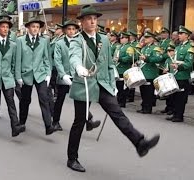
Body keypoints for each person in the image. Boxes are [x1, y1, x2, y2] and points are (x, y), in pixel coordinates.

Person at [67, 5, 160, 172]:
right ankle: (72, 158)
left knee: (118, 114)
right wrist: (78, 67)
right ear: (81, 22)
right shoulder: (77, 39)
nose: (93, 21)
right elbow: (73, 56)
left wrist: (113, 82)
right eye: (89, 18)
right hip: (85, 85)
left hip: (103, 83)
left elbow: (109, 64)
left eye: (95, 18)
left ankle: (139, 143)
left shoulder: (103, 39)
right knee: (79, 122)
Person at [53, 19, 100, 131]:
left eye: (73, 29)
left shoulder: (82, 41)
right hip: (65, 76)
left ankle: (88, 121)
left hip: (78, 76)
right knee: (60, 100)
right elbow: (57, 60)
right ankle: (55, 121)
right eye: (69, 29)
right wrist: (63, 75)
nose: (71, 31)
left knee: (82, 100)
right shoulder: (59, 43)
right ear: (64, 30)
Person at [15, 17, 56, 135]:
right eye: (33, 26)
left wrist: (48, 74)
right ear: (28, 28)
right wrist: (18, 76)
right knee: (25, 100)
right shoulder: (20, 40)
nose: (35, 29)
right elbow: (18, 59)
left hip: (40, 74)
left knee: (44, 98)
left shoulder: (44, 41)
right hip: (26, 74)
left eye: (37, 27)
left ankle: (48, 125)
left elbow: (47, 58)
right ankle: (22, 122)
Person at [165, 26, 194, 122]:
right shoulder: (177, 47)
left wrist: (179, 66)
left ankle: (179, 116)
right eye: (179, 34)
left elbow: (189, 63)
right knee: (174, 96)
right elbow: (173, 60)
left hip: (183, 76)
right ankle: (175, 113)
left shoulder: (189, 48)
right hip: (175, 75)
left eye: (181, 34)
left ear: (187, 35)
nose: (179, 35)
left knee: (181, 98)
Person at [137, 31, 163, 114]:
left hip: (150, 73)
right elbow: (141, 59)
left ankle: (148, 108)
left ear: (152, 39)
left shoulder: (155, 48)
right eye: (145, 37)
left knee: (149, 92)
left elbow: (158, 58)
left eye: (147, 37)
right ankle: (144, 106)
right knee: (143, 91)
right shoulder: (144, 48)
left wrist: (147, 59)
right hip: (143, 72)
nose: (145, 39)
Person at [115, 32, 134, 108]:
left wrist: (120, 59)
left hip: (124, 69)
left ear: (127, 39)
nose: (121, 39)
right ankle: (118, 100)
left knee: (123, 87)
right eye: (120, 38)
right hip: (118, 68)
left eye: (123, 38)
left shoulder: (129, 47)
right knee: (118, 86)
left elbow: (129, 57)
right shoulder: (119, 47)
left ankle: (122, 102)